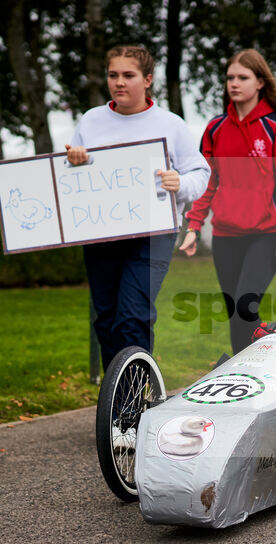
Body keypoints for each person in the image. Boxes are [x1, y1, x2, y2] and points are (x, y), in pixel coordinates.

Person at [65, 45, 210, 369]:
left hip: (152, 233)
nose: (119, 82)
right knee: (106, 320)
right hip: (101, 232)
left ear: (147, 79)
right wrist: (73, 160)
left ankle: (133, 405)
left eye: (128, 75)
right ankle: (117, 401)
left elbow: (200, 173)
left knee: (132, 317)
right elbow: (71, 174)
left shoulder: (170, 124)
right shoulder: (91, 121)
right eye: (113, 75)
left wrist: (180, 184)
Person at [180, 49, 276, 355]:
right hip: (226, 234)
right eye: (230, 78)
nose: (234, 84)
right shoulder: (215, 129)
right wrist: (193, 225)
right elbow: (207, 181)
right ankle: (246, 371)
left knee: (246, 304)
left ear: (260, 82)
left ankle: (274, 358)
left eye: (243, 78)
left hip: (266, 232)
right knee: (236, 310)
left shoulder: (275, 127)